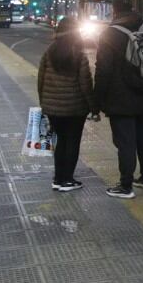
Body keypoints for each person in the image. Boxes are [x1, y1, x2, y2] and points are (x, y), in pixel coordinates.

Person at [95, 0, 143, 199]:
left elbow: (103, 70)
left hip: (120, 99)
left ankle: (126, 185)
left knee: (126, 142)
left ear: (114, 10)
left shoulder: (109, 34)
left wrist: (97, 100)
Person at [37, 17, 99, 192]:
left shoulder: (49, 52)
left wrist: (44, 103)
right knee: (72, 142)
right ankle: (67, 179)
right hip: (74, 109)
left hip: (53, 108)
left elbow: (40, 80)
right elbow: (86, 84)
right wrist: (94, 108)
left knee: (59, 142)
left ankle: (58, 178)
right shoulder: (78, 55)